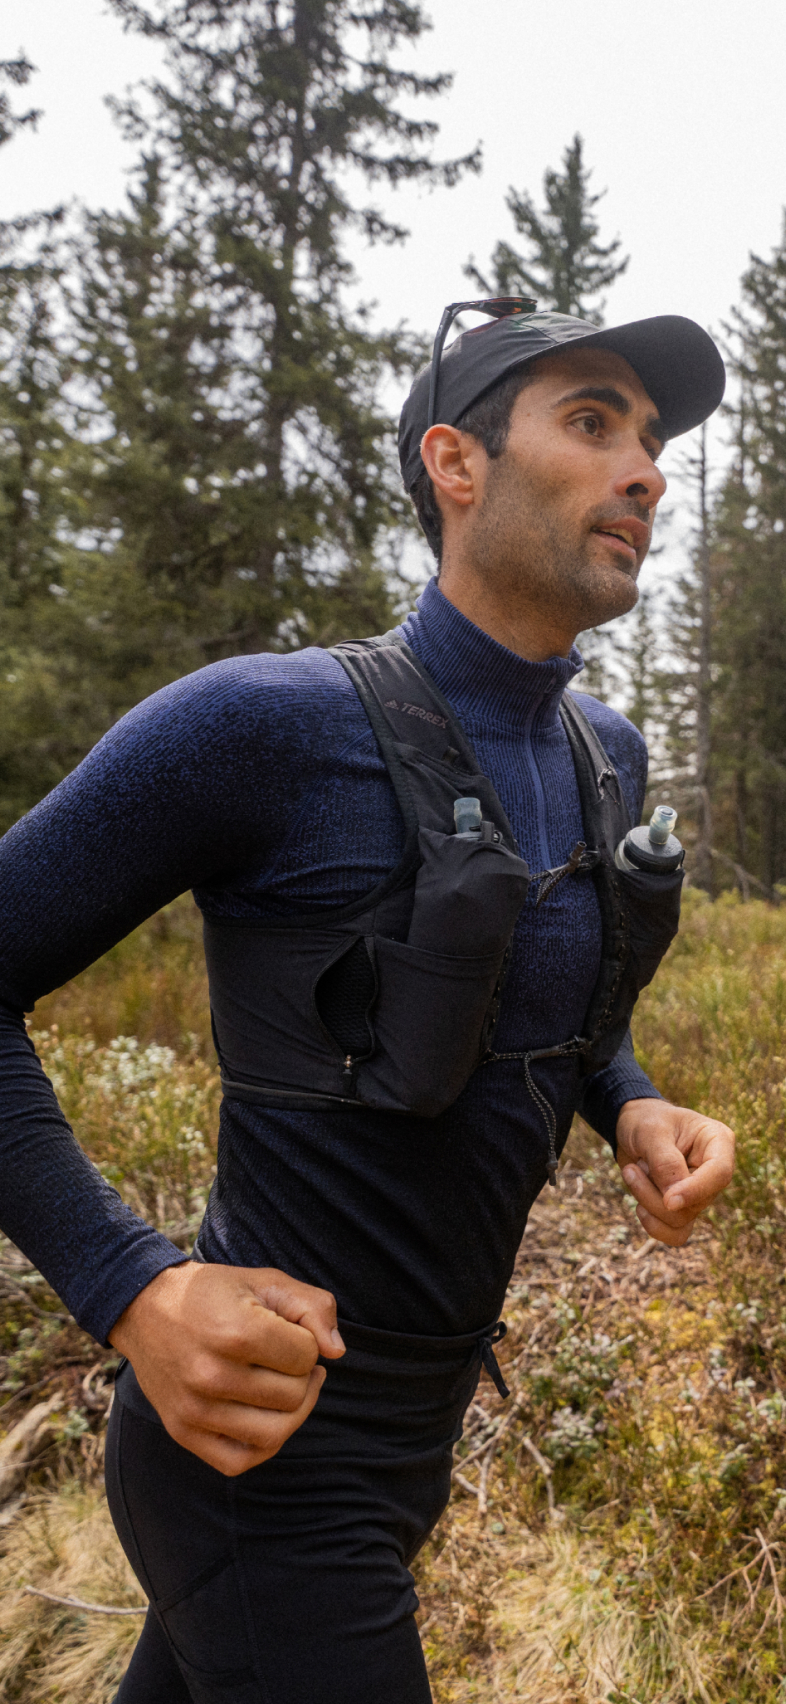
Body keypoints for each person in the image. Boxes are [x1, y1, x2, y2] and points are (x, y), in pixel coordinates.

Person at [0, 300, 735, 1704]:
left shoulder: (607, 754)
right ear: (454, 464)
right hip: (255, 1453)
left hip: (420, 1431)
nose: (644, 471)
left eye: (649, 440)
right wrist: (130, 1287)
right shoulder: (260, 728)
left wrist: (632, 1103)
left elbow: (544, 1006)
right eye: (591, 422)